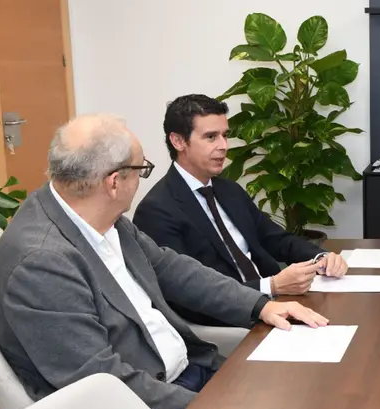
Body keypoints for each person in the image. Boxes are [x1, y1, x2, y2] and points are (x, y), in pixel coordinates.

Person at [0, 114, 329, 409]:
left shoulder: (105, 219)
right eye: (141, 169)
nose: (144, 179)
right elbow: (103, 384)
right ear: (114, 182)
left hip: (187, 372)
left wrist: (261, 304)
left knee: (304, 398)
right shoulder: (41, 263)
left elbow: (173, 269)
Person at [133, 94, 347, 326]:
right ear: (178, 141)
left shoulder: (229, 190)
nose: (224, 146)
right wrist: (271, 286)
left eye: (225, 135)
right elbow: (186, 295)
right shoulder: (157, 210)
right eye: (211, 137)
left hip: (278, 303)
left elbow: (275, 238)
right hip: (233, 320)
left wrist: (321, 258)